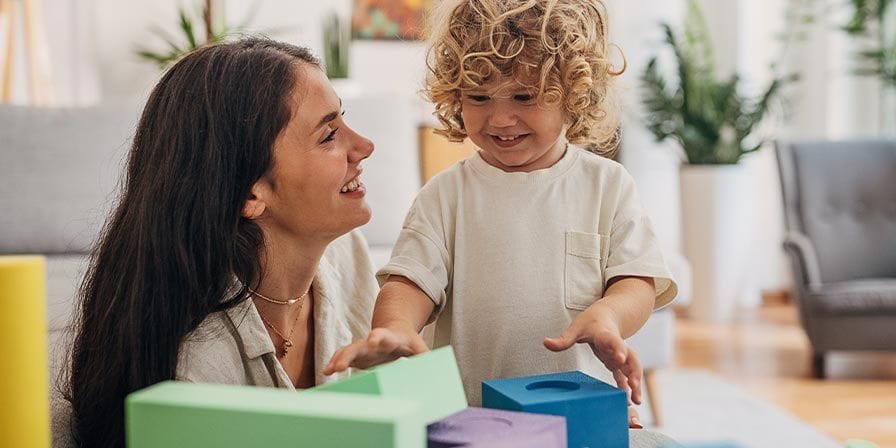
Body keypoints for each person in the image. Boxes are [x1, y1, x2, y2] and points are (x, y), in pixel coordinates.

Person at [325, 0, 679, 438]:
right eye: (478, 97)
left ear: (572, 93)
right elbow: (408, 282)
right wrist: (395, 328)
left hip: (579, 414)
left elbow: (637, 281)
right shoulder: (445, 195)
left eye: (524, 96)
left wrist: (609, 315)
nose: (500, 117)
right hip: (474, 420)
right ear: (455, 97)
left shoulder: (607, 185)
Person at [59, 37, 378, 447]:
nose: (365, 146)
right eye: (328, 134)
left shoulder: (347, 255)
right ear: (250, 193)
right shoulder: (196, 366)